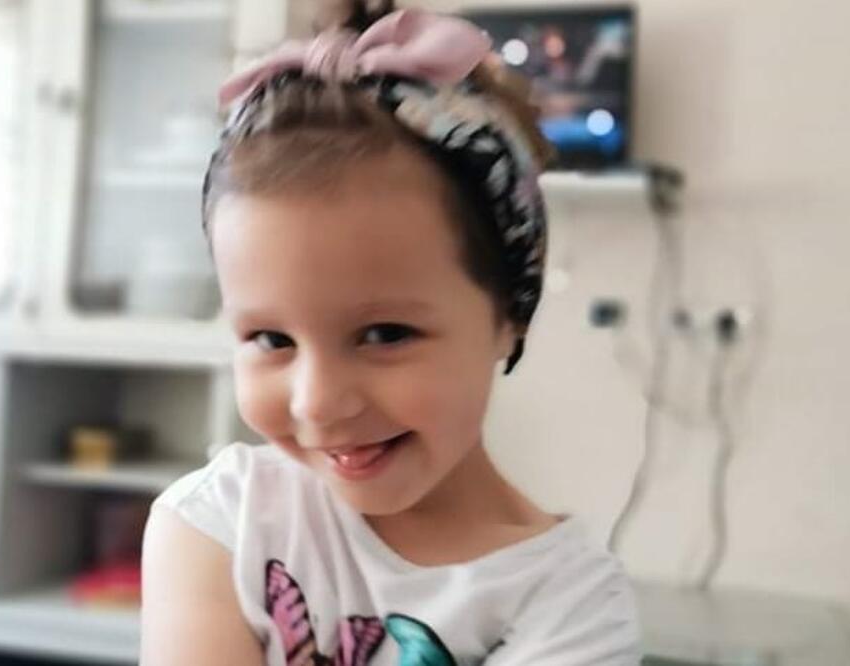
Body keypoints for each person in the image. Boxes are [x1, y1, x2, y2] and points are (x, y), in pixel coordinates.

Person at [141, 2, 642, 664]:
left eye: (383, 334)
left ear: (508, 315)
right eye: (271, 340)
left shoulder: (570, 604)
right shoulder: (221, 521)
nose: (318, 402)